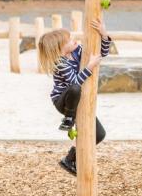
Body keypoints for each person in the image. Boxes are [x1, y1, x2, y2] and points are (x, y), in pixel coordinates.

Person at [37, 18, 112, 176]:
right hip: (63, 102)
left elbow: (101, 54)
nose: (74, 40)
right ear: (61, 48)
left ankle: (69, 159)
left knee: (99, 134)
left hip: (77, 102)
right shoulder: (60, 64)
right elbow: (75, 82)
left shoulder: (77, 51)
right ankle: (69, 119)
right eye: (70, 40)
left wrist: (104, 34)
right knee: (75, 87)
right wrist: (90, 66)